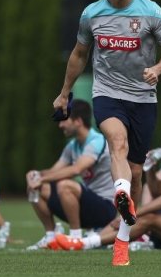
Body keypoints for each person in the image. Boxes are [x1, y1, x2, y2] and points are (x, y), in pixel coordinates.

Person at [52, 0, 161, 266]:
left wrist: (158, 69)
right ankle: (120, 193)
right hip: (107, 93)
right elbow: (79, 54)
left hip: (143, 99)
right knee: (117, 142)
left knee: (136, 172)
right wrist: (64, 93)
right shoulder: (92, 14)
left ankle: (122, 240)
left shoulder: (152, 12)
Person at [55, 119, 161, 251]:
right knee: (136, 217)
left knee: (149, 219)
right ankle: (89, 241)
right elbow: (158, 190)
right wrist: (150, 169)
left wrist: (134, 213)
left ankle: (85, 243)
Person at [26, 99, 116, 250]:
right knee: (37, 186)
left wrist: (41, 178)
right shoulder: (72, 146)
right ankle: (50, 236)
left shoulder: (97, 141)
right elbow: (54, 172)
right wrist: (35, 175)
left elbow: (76, 170)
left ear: (78, 121)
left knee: (65, 185)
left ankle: (75, 238)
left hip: (107, 208)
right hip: (86, 206)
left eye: (64, 120)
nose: (60, 125)